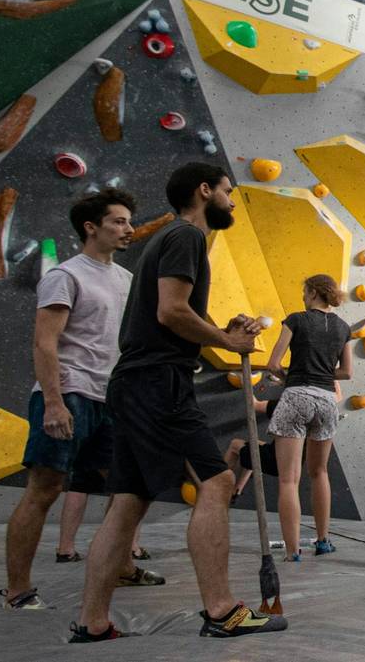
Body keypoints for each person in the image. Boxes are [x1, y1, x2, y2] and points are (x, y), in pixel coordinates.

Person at [71, 163, 283, 642]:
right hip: (158, 382)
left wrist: (224, 330)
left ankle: (92, 622)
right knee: (218, 480)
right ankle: (222, 611)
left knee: (128, 502)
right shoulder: (187, 235)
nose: (232, 200)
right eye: (227, 191)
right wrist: (228, 343)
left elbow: (174, 314)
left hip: (136, 382)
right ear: (204, 191)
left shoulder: (170, 240)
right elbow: (171, 312)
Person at [1, 189, 160, 610]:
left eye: (129, 221)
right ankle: (17, 591)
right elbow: (44, 342)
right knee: (45, 489)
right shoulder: (65, 276)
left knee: (126, 489)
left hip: (112, 400)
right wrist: (54, 403)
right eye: (119, 221)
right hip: (69, 395)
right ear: (91, 227)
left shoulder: (126, 279)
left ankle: (122, 566)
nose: (129, 229)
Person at [262, 275, 354, 563]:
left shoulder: (296, 320)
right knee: (320, 472)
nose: (303, 297)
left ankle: (293, 552)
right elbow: (346, 372)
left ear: (313, 292)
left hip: (297, 397)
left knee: (289, 480)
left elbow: (273, 364)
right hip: (327, 401)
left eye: (305, 292)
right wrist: (322, 372)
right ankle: (323, 541)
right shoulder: (343, 327)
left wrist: (290, 376)